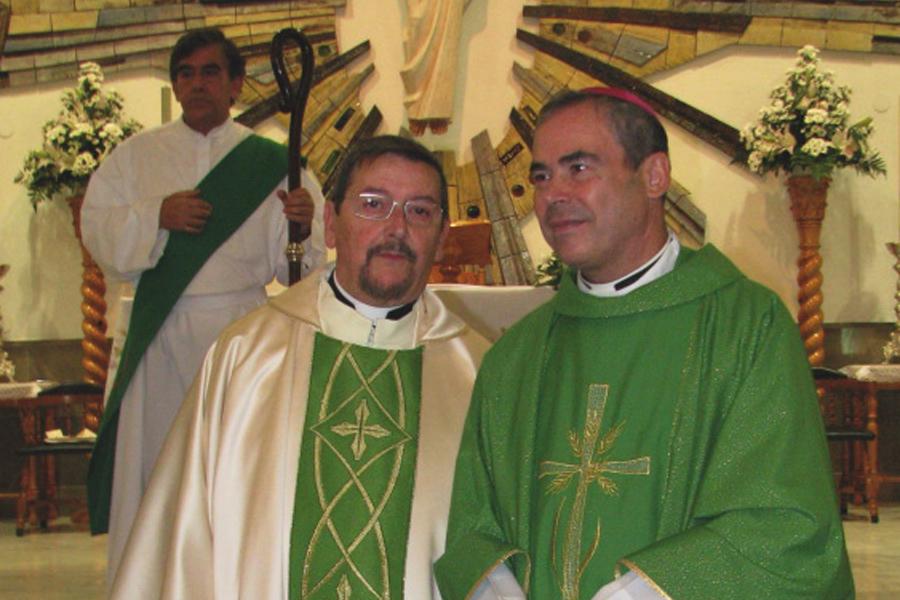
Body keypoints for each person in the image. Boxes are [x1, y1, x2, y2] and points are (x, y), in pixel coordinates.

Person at [435, 88, 854, 599]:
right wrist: (496, 588)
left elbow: (787, 527)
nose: (553, 195)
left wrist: (635, 595)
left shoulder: (746, 327)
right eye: (541, 177)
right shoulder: (516, 355)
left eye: (579, 168)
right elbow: (474, 523)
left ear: (655, 176)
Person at [108, 134, 491, 599]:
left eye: (420, 211)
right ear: (330, 223)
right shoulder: (248, 358)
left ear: (443, 237)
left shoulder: (477, 374)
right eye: (373, 205)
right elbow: (183, 542)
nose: (396, 228)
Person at [80, 27, 325, 582]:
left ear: (235, 84)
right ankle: (150, 581)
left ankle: (232, 580)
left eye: (210, 72)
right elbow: (98, 229)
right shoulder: (136, 157)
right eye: (185, 73)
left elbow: (297, 268)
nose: (196, 84)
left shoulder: (272, 161)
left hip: (239, 333)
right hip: (160, 333)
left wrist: (303, 223)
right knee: (156, 463)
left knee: (234, 465)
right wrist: (156, 216)